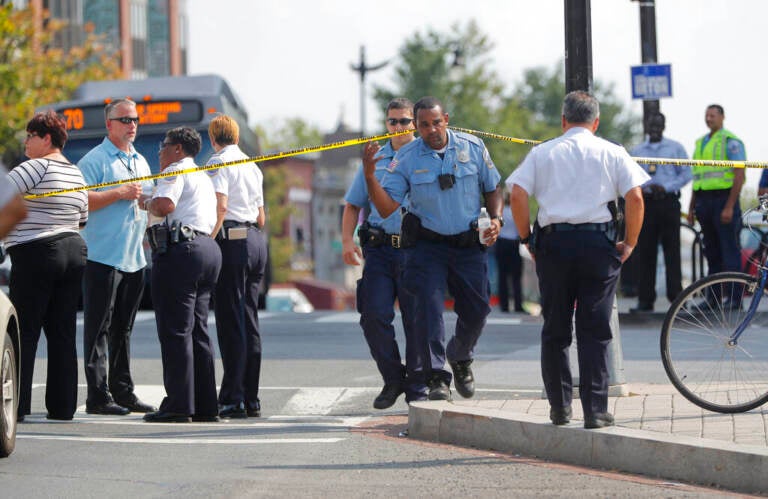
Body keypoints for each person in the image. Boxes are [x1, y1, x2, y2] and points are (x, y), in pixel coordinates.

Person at [507, 91, 648, 429]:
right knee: (594, 330)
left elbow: (517, 194)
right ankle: (596, 411)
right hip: (598, 245)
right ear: (596, 122)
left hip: (554, 245)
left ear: (563, 120)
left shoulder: (542, 153)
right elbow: (636, 197)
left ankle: (559, 407)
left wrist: (527, 238)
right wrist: (629, 242)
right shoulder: (612, 152)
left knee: (555, 329)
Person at [364, 96, 502, 401]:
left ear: (447, 119)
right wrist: (371, 176)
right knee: (427, 310)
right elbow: (387, 208)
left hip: (468, 245)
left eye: (436, 122)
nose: (431, 130)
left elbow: (493, 187)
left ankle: (461, 354)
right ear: (417, 126)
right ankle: (437, 377)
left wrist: (496, 218)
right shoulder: (408, 157)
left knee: (478, 310)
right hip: (427, 246)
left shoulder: (473, 147)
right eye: (424, 125)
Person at [342, 97, 426, 409]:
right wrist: (348, 243)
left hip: (416, 250)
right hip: (379, 249)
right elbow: (353, 204)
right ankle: (393, 378)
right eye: (393, 121)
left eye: (405, 121)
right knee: (373, 315)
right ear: (386, 124)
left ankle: (418, 384)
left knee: (417, 321)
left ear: (415, 123)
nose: (399, 127)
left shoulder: (428, 154)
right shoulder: (375, 159)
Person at [6, 110, 88, 421]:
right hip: (74, 250)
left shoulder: (35, 167)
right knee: (62, 332)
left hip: (37, 252)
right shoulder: (76, 173)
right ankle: (63, 406)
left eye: (30, 136)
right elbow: (82, 220)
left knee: (23, 332)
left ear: (47, 139)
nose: (26, 141)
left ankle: (18, 406)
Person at [78, 98, 156, 415]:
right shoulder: (94, 160)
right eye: (125, 120)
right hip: (102, 256)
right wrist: (118, 193)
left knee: (123, 329)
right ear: (109, 124)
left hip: (134, 257)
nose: (132, 125)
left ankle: (123, 391)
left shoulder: (140, 160)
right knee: (98, 328)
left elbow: (146, 199)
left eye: (135, 119)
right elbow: (81, 202)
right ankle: (97, 396)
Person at [142, 127, 221, 423]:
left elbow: (165, 205)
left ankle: (178, 404)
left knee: (175, 331)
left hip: (181, 251)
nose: (159, 152)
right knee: (198, 330)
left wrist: (148, 202)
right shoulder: (202, 176)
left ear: (177, 149)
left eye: (163, 146)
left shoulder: (174, 169)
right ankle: (205, 405)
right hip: (207, 248)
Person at [206, 115, 267, 419]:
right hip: (256, 240)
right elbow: (262, 216)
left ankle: (232, 397)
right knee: (249, 319)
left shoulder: (218, 162)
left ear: (213, 138)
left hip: (232, 239)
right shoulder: (252, 166)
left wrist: (209, 238)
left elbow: (220, 205)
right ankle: (251, 396)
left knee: (231, 321)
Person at [629, 113, 691, 312]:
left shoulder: (675, 148)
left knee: (672, 251)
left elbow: (686, 174)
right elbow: (630, 176)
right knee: (645, 252)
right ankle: (645, 300)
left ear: (664, 125)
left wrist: (666, 187)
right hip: (646, 204)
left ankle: (677, 298)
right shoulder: (637, 150)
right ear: (646, 125)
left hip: (668, 203)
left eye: (659, 124)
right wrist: (648, 186)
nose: (655, 127)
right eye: (652, 124)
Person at [687, 104, 746, 299]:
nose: (709, 119)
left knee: (729, 250)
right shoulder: (700, 143)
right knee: (711, 252)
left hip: (724, 199)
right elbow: (698, 178)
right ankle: (713, 298)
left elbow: (739, 175)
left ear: (722, 117)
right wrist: (691, 207)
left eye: (712, 115)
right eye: (707, 115)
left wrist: (729, 206)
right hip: (704, 200)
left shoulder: (730, 141)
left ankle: (734, 298)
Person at [495, 200, 525, 313]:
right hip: (513, 244)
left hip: (502, 243)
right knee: (516, 277)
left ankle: (504, 305)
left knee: (502, 277)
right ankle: (518, 304)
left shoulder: (500, 211)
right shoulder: (515, 211)